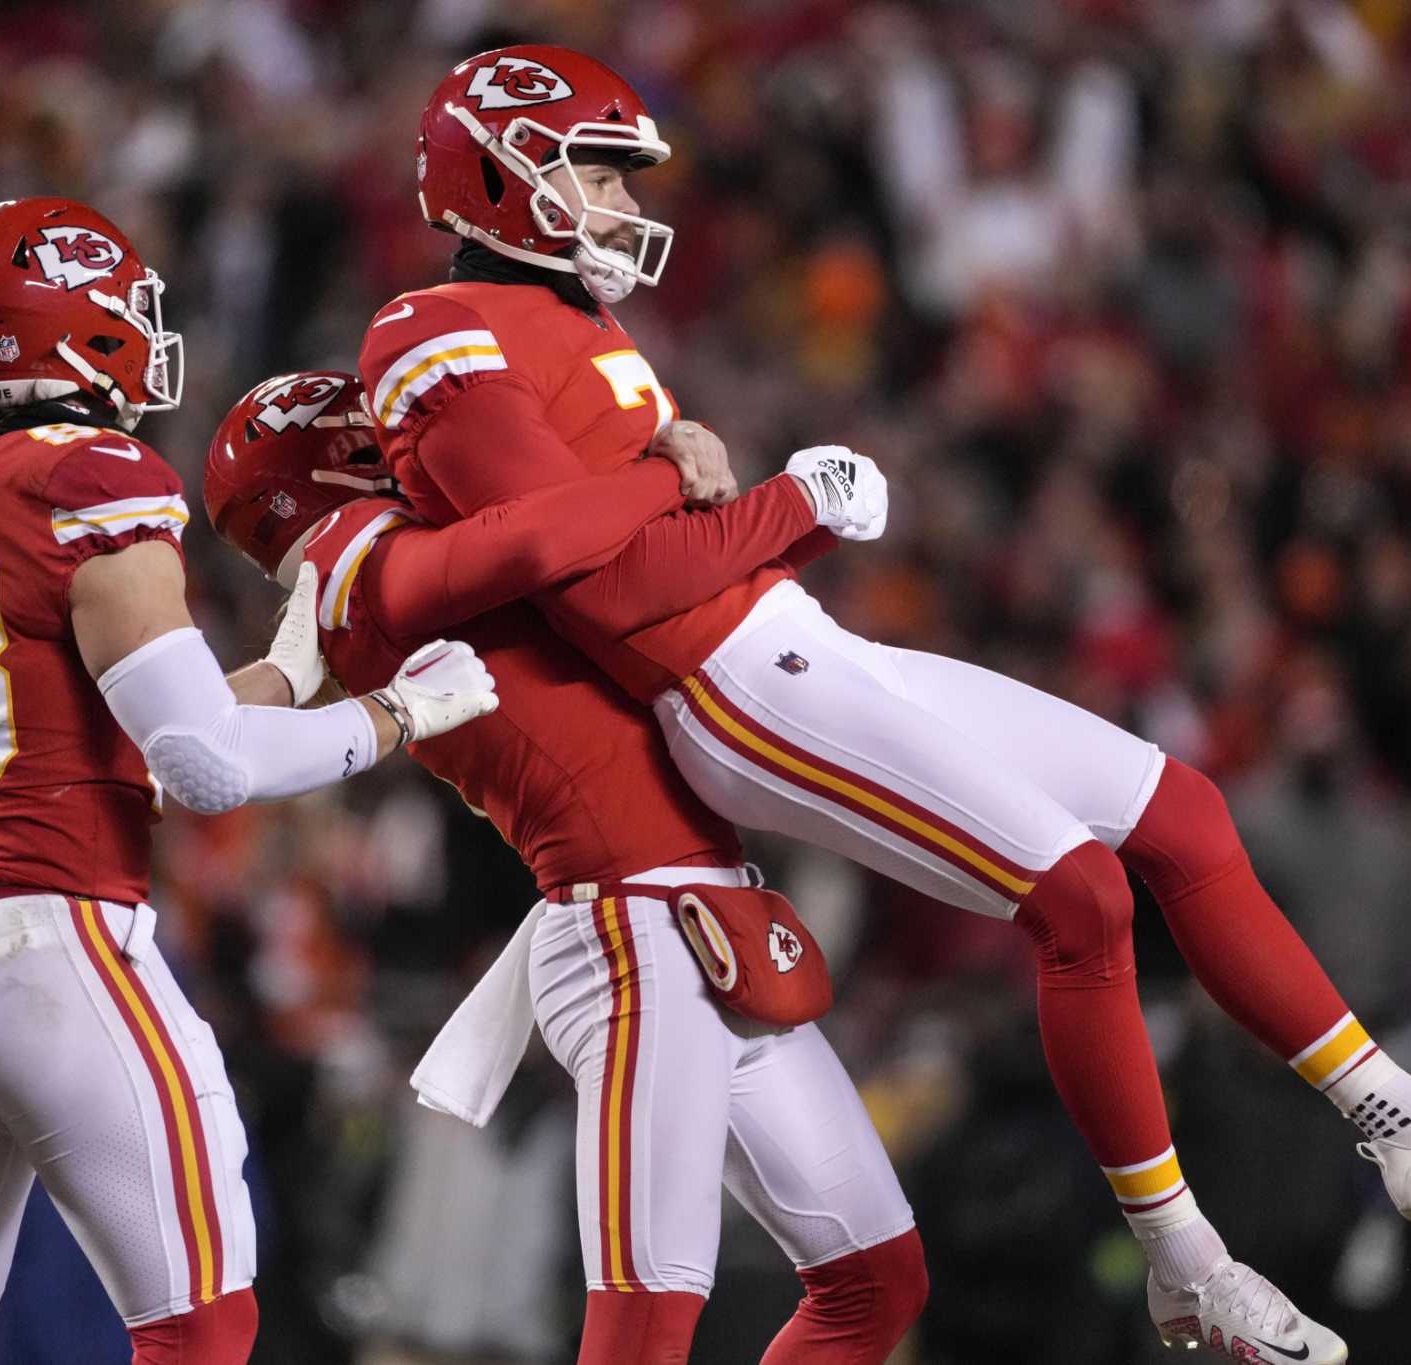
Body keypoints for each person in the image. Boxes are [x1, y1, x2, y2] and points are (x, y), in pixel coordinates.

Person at [361, 45, 1411, 1359]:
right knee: (1082, 897)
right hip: (733, 690)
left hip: (790, 643)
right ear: (504, 179)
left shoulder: (567, 320)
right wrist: (794, 504)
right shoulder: (437, 335)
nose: (620, 207)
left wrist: (730, 499)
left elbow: (634, 538)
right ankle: (1184, 1255)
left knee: (1179, 813)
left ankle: (1397, 1118)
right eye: (595, 176)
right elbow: (607, 594)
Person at [0, 198, 497, 1365]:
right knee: (205, 1330)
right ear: (69, 328)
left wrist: (290, 673)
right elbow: (204, 768)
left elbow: (117, 718)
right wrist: (396, 716)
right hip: (55, 953)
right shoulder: (92, 473)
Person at [203, 370, 930, 1364]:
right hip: (631, 931)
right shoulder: (371, 564)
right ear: (337, 461)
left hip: (695, 914)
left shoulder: (349, 590)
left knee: (874, 1280)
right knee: (643, 1321)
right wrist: (723, 484)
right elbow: (549, 539)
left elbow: (247, 694)